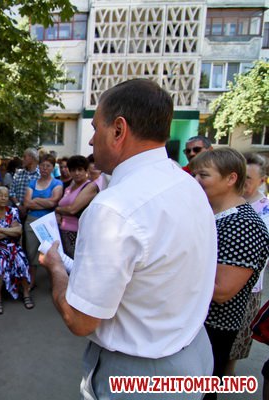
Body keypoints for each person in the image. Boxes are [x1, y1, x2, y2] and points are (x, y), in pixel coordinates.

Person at [39, 79, 217, 400]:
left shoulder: (113, 208)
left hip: (141, 374)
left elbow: (80, 320)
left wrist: (55, 268)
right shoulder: (187, 183)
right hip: (192, 353)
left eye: (96, 128)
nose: (91, 140)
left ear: (118, 130)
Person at [190, 148, 269, 400]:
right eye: (194, 174)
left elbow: (222, 291)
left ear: (231, 178)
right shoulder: (215, 214)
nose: (196, 181)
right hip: (196, 324)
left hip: (213, 328)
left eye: (204, 175)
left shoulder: (244, 224)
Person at [226, 152, 269, 376]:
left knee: (233, 350)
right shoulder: (229, 202)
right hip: (223, 282)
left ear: (262, 180)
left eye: (249, 179)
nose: (243, 183)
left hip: (248, 290)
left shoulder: (265, 211)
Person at [0, 186, 32, 314]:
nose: (3, 198)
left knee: (22, 261)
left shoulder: (13, 211)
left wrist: (0, 229)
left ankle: (26, 293)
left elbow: (19, 231)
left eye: (6, 196)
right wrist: (10, 231)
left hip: (13, 246)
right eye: (0, 195)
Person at [23, 153, 63, 290]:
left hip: (48, 221)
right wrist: (46, 202)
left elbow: (54, 202)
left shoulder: (57, 183)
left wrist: (36, 200)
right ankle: (32, 281)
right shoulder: (32, 183)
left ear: (53, 167)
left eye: (48, 166)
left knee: (51, 253)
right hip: (31, 221)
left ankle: (55, 283)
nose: (45, 168)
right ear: (39, 166)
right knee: (31, 253)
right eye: (42, 165)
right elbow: (26, 203)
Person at [55, 155, 95, 258]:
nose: (77, 173)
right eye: (73, 170)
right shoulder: (68, 188)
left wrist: (57, 210)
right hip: (63, 231)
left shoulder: (89, 186)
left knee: (73, 263)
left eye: (80, 169)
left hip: (77, 233)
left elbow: (72, 209)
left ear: (86, 170)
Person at [9, 148, 40, 219]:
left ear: (32, 158)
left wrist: (26, 207)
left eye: (24, 157)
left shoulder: (40, 175)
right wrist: (19, 206)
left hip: (34, 213)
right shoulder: (18, 173)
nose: (22, 159)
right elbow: (11, 192)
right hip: (17, 212)